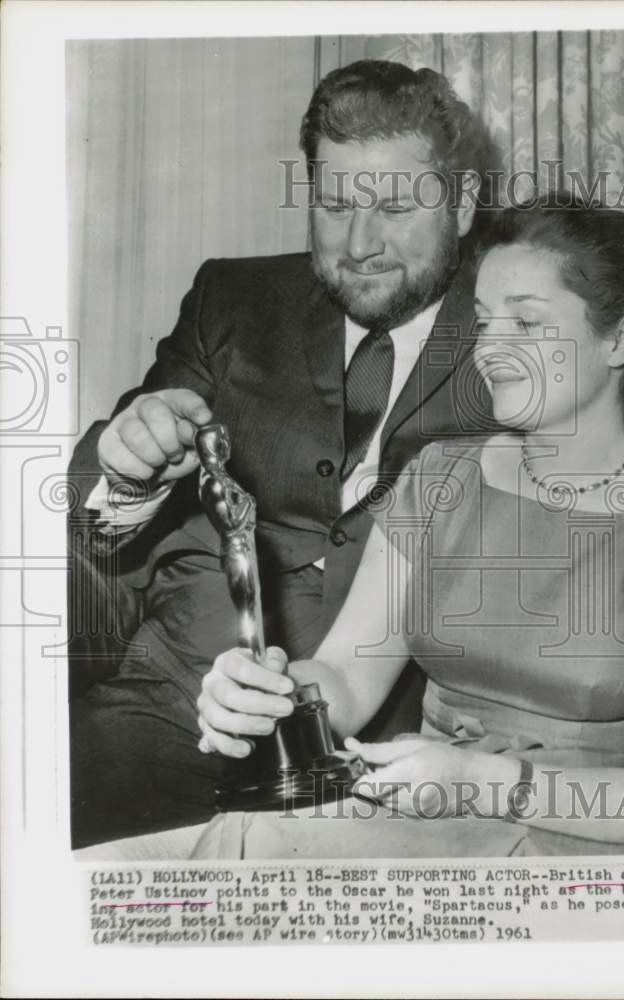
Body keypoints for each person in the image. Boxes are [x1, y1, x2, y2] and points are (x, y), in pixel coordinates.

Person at [197, 197, 624, 856]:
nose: (491, 349)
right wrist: (265, 694)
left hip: (589, 851)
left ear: (619, 340)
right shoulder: (437, 476)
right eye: (484, 322)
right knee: (245, 838)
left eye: (526, 321)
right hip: (433, 814)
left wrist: (481, 781)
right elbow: (345, 678)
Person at [68, 59, 502, 847]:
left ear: (463, 203)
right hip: (174, 705)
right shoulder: (231, 300)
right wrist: (128, 467)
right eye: (335, 204)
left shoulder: (520, 330)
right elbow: (90, 510)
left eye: (397, 207)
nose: (361, 244)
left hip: (390, 743)